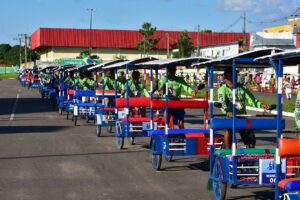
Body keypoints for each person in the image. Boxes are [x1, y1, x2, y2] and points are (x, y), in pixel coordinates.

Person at [218, 67, 270, 149]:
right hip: (230, 117)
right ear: (227, 76)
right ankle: (227, 153)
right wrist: (227, 111)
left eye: (236, 74)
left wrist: (261, 104)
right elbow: (222, 103)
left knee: (251, 139)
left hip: (242, 116)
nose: (236, 75)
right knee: (229, 131)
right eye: (233, 74)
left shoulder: (243, 88)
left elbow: (251, 100)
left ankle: (249, 156)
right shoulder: (222, 89)